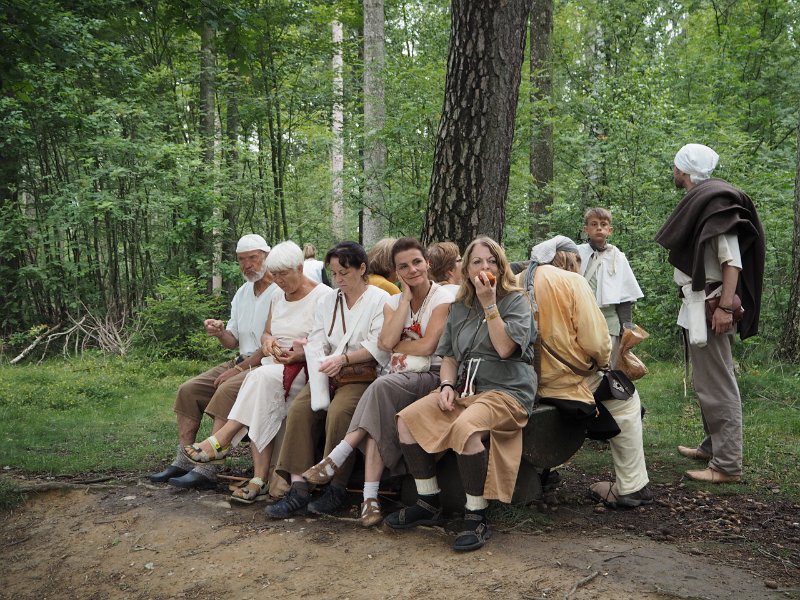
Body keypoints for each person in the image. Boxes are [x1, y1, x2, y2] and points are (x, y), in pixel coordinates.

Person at [384, 237, 537, 552]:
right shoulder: (460, 307)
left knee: (466, 429)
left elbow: (506, 348)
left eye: (491, 261)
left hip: (507, 391)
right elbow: (450, 357)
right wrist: (446, 386)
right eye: (477, 262)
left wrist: (490, 304)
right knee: (408, 421)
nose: (484, 267)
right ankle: (428, 502)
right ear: (466, 269)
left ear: (501, 265)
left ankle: (477, 515)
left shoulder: (516, 300)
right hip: (468, 389)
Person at [302, 238, 454, 526]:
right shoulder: (395, 301)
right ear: (395, 272)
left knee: (379, 388)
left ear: (428, 264)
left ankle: (337, 456)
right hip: (396, 376)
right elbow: (385, 342)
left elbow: (428, 347)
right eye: (403, 267)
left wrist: (400, 344)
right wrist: (406, 303)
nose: (412, 270)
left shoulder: (442, 298)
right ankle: (370, 500)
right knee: (378, 415)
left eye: (417, 262)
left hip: (430, 376)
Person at [181, 241, 334, 502]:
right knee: (259, 387)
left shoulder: (324, 296)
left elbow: (329, 342)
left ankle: (222, 440)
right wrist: (268, 343)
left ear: (300, 268)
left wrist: (300, 353)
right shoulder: (277, 294)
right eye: (275, 275)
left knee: (257, 378)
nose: (279, 281)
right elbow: (267, 332)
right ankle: (259, 478)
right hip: (274, 366)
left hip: (306, 369)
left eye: (284, 274)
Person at [655, 143, 765, 484]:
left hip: (713, 306)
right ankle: (711, 446)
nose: (673, 171)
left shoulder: (716, 206)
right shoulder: (702, 202)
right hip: (698, 304)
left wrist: (724, 306)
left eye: (675, 166)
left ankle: (727, 465)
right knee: (707, 380)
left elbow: (733, 261)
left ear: (683, 170)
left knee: (718, 383)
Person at [521, 236, 652, 508]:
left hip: (523, 383)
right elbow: (597, 343)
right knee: (626, 400)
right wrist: (605, 362)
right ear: (570, 258)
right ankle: (631, 488)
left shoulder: (517, 279)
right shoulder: (572, 281)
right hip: (563, 383)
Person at [265, 241, 391, 518]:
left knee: (340, 412)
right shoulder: (328, 300)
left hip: (359, 376)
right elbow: (319, 336)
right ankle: (298, 488)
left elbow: (379, 346)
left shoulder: (380, 300)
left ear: (362, 268)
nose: (339, 279)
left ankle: (337, 487)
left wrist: (344, 359)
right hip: (328, 372)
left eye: (344, 272)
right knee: (299, 409)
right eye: (334, 273)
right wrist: (315, 352)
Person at [150, 234, 278, 490]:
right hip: (240, 360)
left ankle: (209, 467)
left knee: (226, 389)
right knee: (189, 390)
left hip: (266, 364)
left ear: (267, 257)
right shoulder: (242, 294)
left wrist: (240, 369)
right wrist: (220, 332)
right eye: (242, 260)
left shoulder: (280, 292)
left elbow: (271, 346)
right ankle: (184, 459)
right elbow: (233, 341)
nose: (247, 265)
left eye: (253, 258)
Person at [577, 208, 643, 367]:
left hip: (609, 323)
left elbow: (625, 297)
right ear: (586, 229)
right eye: (593, 224)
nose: (598, 228)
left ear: (610, 230)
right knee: (584, 366)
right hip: (581, 320)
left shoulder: (618, 258)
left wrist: (626, 328)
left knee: (608, 368)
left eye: (603, 224)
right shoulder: (576, 253)